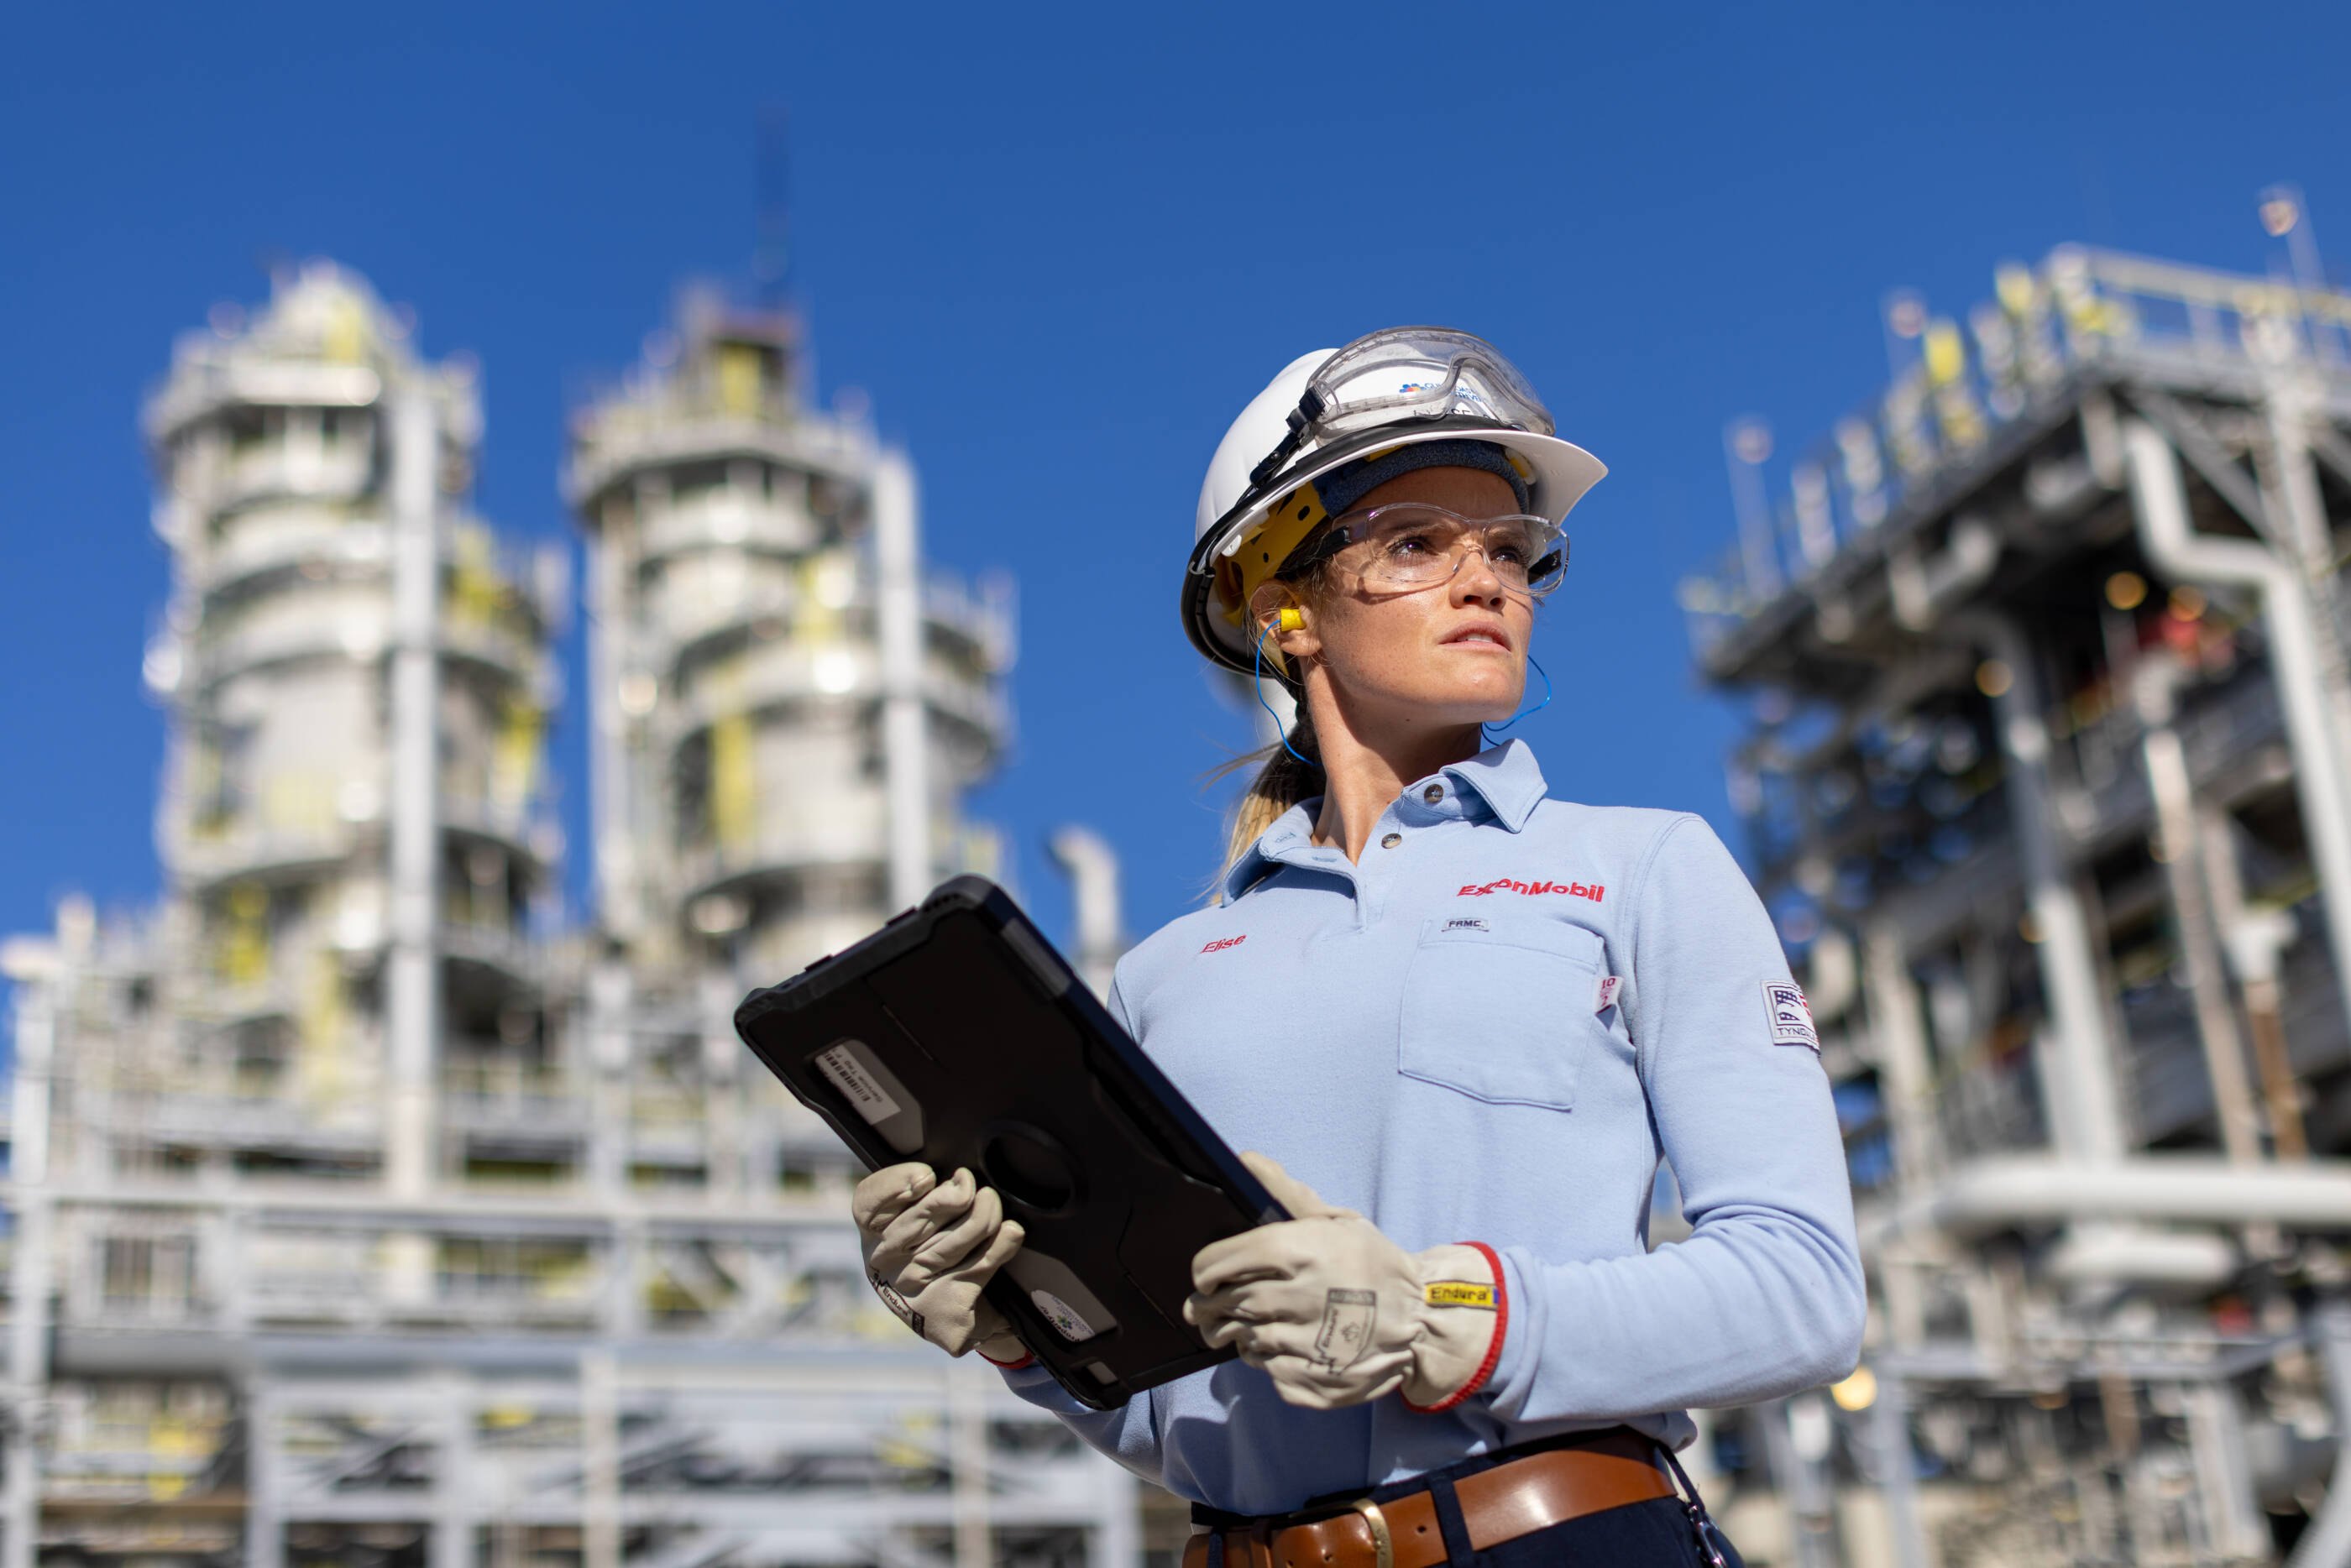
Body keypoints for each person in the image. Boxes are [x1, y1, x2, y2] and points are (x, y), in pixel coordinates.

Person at [850, 328, 1865, 1567]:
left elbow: (1803, 1293)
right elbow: (1175, 1417)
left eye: (1511, 550)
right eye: (1416, 543)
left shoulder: (1642, 868)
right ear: (1281, 607)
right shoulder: (1166, 978)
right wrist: (1031, 1333)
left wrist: (1441, 1317)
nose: (1487, 581)